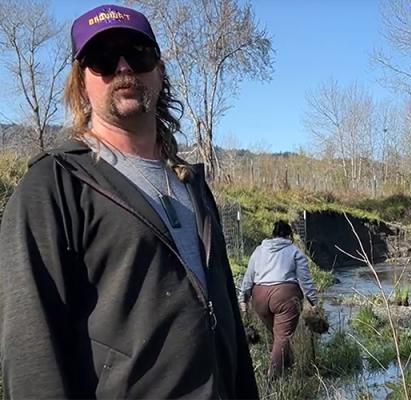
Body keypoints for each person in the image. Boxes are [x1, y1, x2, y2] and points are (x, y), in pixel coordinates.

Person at [0, 4, 257, 399]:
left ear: (158, 70)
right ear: (81, 81)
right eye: (103, 58)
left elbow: (230, 328)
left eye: (137, 53)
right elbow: (30, 346)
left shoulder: (193, 186)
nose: (124, 68)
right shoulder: (53, 186)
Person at [239, 220, 318, 378]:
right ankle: (273, 377)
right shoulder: (294, 251)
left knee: (277, 335)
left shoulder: (259, 250)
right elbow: (305, 280)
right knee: (283, 336)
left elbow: (249, 276)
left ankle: (286, 366)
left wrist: (243, 298)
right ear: (289, 236)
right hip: (285, 296)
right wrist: (314, 301)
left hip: (259, 298)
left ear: (272, 234)